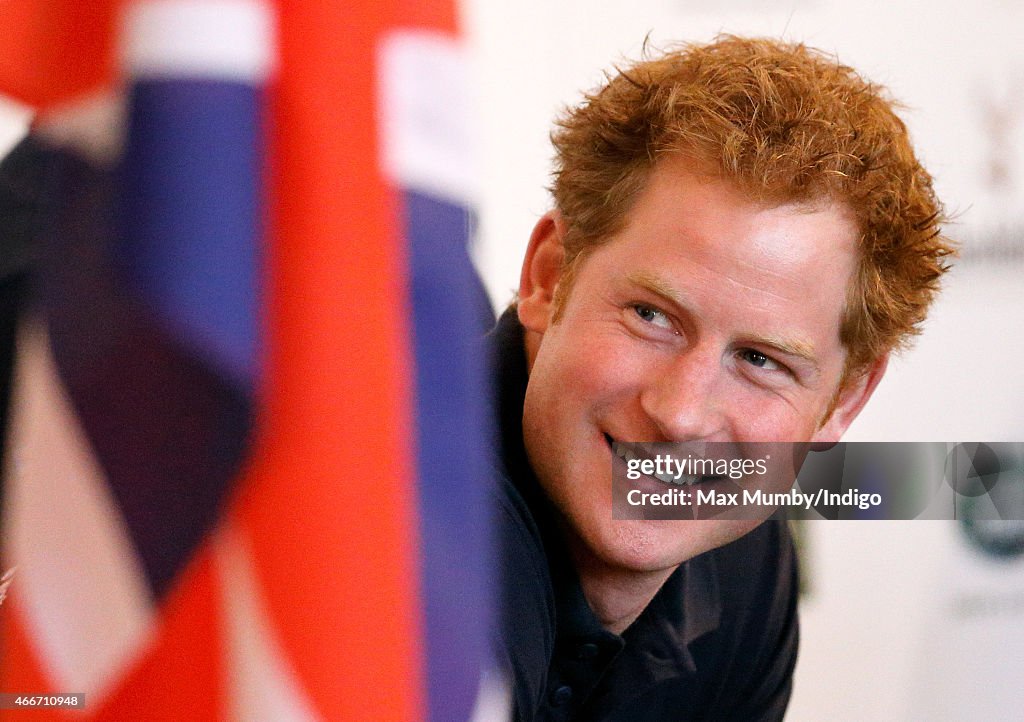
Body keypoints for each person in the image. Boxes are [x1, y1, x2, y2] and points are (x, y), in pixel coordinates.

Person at [496, 36, 952, 721]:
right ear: (550, 277)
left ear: (844, 400)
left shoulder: (746, 564)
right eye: (652, 316)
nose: (681, 414)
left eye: (761, 361)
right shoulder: (400, 531)